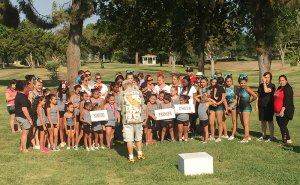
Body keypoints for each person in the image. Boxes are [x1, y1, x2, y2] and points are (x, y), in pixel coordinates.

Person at [118, 80, 145, 162]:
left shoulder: (122, 94)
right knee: (138, 138)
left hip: (127, 120)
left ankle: (131, 157)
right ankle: (140, 154)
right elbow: (143, 104)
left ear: (124, 86)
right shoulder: (139, 92)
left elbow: (119, 108)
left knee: (129, 140)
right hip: (138, 119)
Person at [274, 75, 294, 146]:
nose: (281, 82)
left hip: (286, 111)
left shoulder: (288, 89)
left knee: (283, 125)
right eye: (280, 80)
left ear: (286, 80)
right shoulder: (279, 88)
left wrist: (282, 110)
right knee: (282, 126)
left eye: (282, 80)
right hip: (277, 111)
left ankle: (284, 141)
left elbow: (287, 101)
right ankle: (288, 140)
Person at [14, 80, 35, 153]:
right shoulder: (22, 97)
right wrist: (29, 119)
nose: (27, 87)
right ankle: (24, 149)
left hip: (19, 116)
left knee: (24, 133)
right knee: (25, 134)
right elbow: (24, 110)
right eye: (26, 86)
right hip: (23, 117)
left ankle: (21, 147)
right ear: (23, 87)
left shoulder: (18, 95)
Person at [237, 74, 258, 143]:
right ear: (239, 83)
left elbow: (255, 96)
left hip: (246, 107)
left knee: (246, 123)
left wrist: (250, 101)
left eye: (244, 83)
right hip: (240, 107)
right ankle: (248, 135)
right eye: (241, 83)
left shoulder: (247, 88)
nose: (243, 84)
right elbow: (237, 98)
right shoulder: (239, 89)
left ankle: (245, 138)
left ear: (246, 83)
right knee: (242, 122)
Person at [195, 77, 217, 144]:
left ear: (207, 82)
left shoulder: (208, 88)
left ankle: (211, 135)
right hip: (202, 104)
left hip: (207, 105)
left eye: (203, 82)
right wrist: (201, 95)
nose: (202, 83)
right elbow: (197, 97)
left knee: (210, 123)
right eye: (201, 82)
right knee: (203, 125)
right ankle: (204, 136)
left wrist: (208, 99)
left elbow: (210, 98)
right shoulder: (200, 89)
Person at [257, 72, 275, 142]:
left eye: (268, 77)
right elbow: (258, 95)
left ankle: (271, 136)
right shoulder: (261, 85)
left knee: (270, 121)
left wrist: (264, 83)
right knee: (263, 121)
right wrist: (256, 105)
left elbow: (266, 90)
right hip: (261, 105)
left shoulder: (272, 85)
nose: (267, 79)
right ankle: (263, 135)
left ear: (270, 78)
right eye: (265, 77)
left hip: (269, 106)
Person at [223, 74, 238, 140]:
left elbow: (236, 99)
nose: (229, 83)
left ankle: (232, 135)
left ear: (232, 81)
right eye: (227, 81)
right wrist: (226, 108)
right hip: (226, 106)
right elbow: (224, 99)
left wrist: (231, 106)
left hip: (233, 106)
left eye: (230, 81)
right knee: (222, 119)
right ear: (225, 82)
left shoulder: (235, 88)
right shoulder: (224, 88)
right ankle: (225, 134)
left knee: (234, 120)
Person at [57, 80, 70, 147]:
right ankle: (62, 141)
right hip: (59, 112)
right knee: (61, 127)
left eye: (65, 87)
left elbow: (69, 102)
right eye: (62, 87)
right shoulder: (57, 93)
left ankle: (65, 140)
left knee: (65, 127)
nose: (64, 89)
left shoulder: (68, 94)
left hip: (65, 112)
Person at [70, 85, 82, 150]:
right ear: (75, 90)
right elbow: (71, 105)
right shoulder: (72, 96)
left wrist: (77, 105)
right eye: (78, 90)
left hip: (82, 114)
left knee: (81, 129)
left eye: (80, 90)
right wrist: (78, 105)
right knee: (76, 129)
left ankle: (78, 142)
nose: (79, 91)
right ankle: (75, 143)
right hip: (75, 114)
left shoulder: (82, 96)